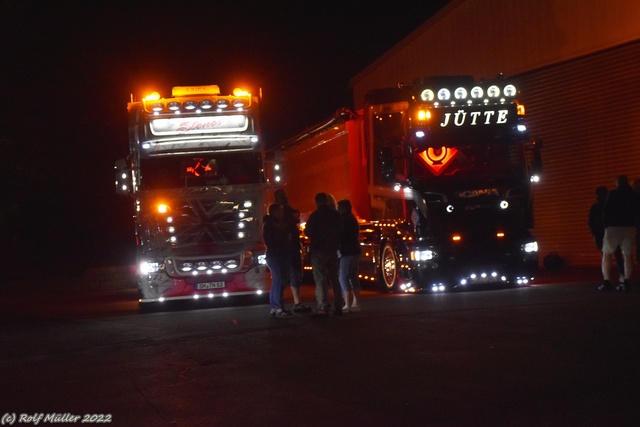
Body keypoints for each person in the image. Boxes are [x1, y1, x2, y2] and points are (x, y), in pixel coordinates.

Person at [305, 192, 344, 316]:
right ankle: (339, 305)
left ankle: (323, 306)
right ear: (326, 201)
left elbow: (308, 232)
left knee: (320, 279)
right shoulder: (335, 215)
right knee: (334, 278)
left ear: (317, 202)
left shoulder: (315, 216)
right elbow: (341, 230)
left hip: (318, 250)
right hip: (332, 250)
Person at [600, 175, 640, 292]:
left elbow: (605, 210)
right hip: (628, 227)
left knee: (607, 254)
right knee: (627, 255)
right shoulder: (634, 195)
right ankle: (626, 281)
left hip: (613, 227)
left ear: (617, 183)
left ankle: (607, 281)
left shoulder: (613, 194)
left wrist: (606, 225)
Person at [274, 189, 311, 313]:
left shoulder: (284, 211)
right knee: (285, 276)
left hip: (290, 247)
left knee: (292, 275)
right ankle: (282, 305)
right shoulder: (277, 214)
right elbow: (293, 218)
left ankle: (290, 303)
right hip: (287, 248)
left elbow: (295, 215)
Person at [262, 203, 293, 317]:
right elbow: (275, 240)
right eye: (279, 210)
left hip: (275, 255)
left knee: (277, 281)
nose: (282, 213)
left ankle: (275, 307)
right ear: (273, 212)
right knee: (280, 281)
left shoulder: (270, 224)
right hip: (277, 255)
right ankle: (278, 307)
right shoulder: (272, 225)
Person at [588, 186, 624, 283]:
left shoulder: (596, 207)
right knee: (617, 256)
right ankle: (621, 276)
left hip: (603, 235)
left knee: (606, 256)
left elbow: (592, 223)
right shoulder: (612, 205)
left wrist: (595, 235)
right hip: (612, 234)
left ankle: (608, 279)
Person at [337, 199, 362, 312]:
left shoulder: (345, 220)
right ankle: (355, 303)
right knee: (353, 276)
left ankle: (347, 303)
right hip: (355, 251)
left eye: (340, 207)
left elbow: (342, 236)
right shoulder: (352, 220)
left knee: (343, 277)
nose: (338, 209)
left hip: (347, 252)